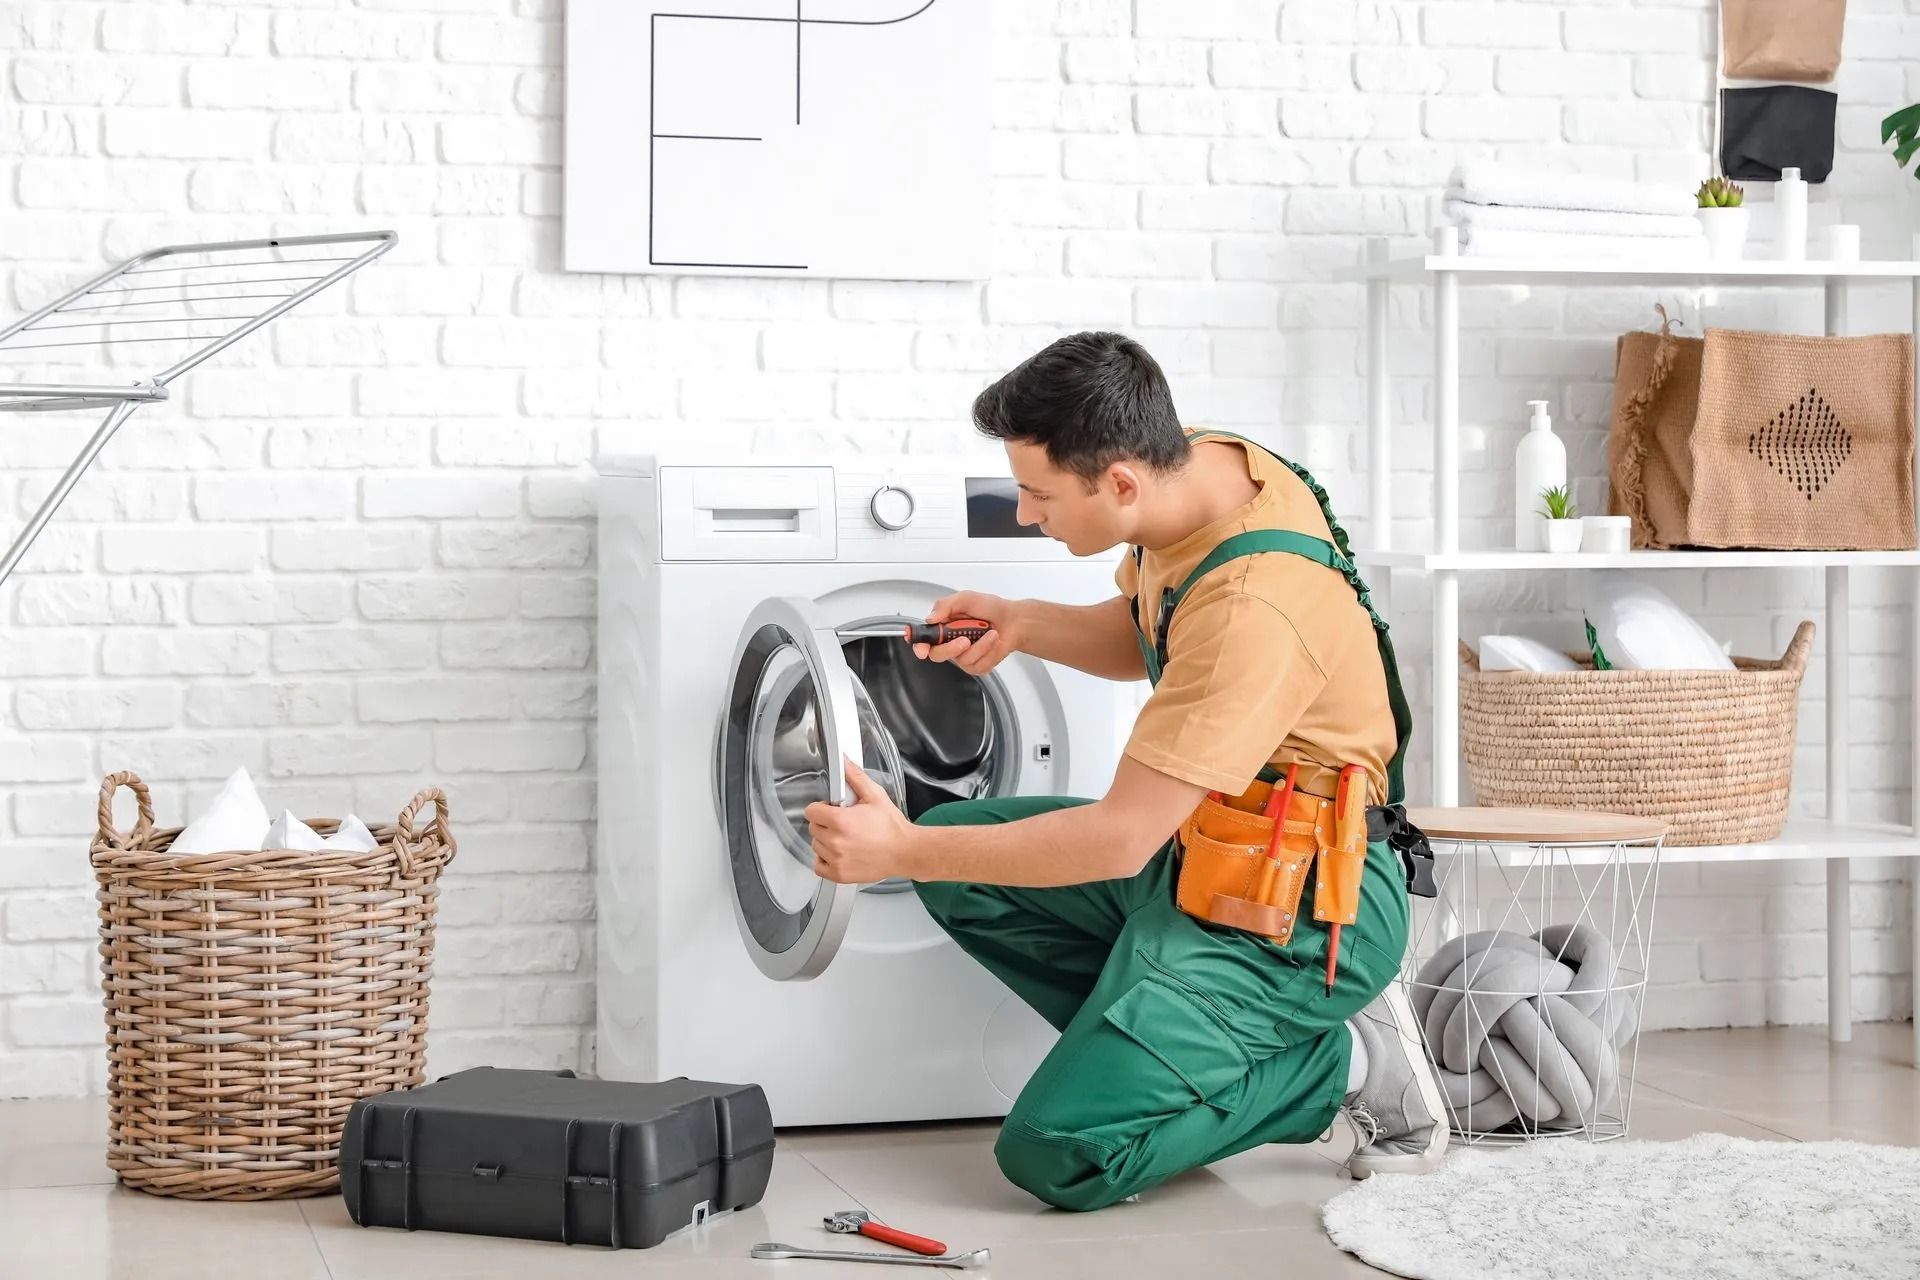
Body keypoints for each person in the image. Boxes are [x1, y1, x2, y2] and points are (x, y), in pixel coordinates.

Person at [804, 331, 1447, 1212]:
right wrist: (1024, 623)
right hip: (1213, 855)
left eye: (1038, 494)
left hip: (1301, 913)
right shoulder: (1211, 473)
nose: (1026, 514)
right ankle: (1169, 1040)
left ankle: (1335, 1068)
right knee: (961, 862)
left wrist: (898, 851)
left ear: (1120, 484)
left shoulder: (1254, 609)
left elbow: (1115, 839)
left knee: (1056, 1151)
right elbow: (1160, 628)